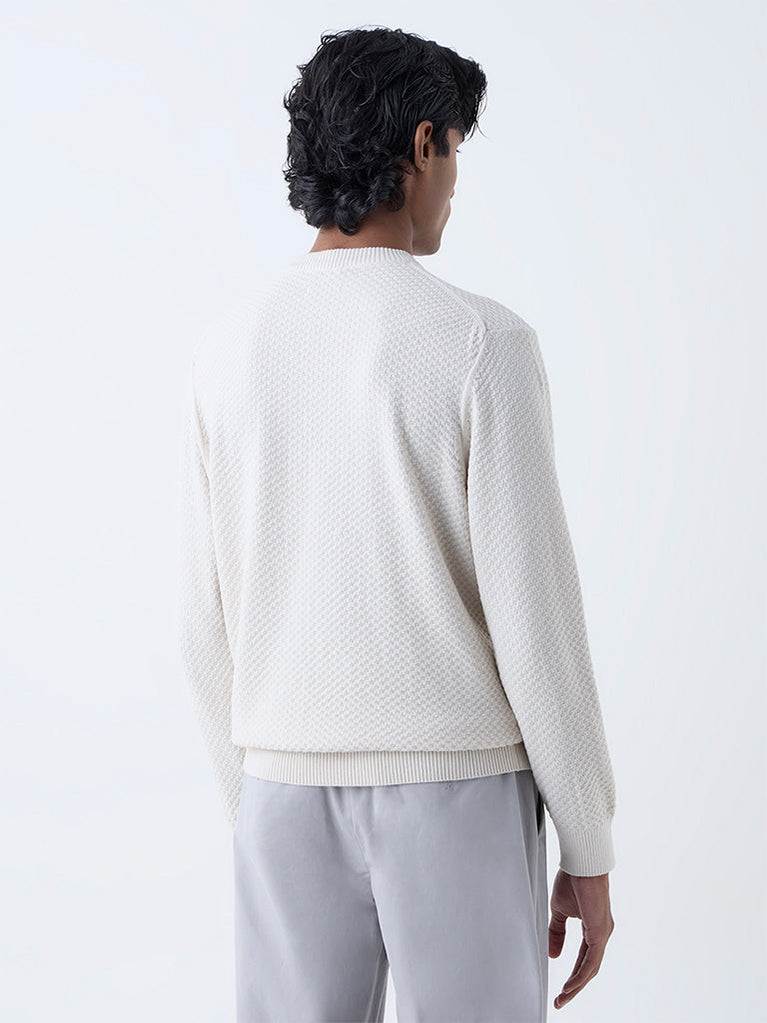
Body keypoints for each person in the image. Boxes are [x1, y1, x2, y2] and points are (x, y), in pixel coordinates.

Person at [176, 25, 617, 1023]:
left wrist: (258, 799)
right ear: (422, 146)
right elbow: (538, 628)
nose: (454, 184)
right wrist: (587, 843)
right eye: (453, 150)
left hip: (280, 787)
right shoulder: (481, 344)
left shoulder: (225, 351)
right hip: (458, 787)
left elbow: (201, 627)